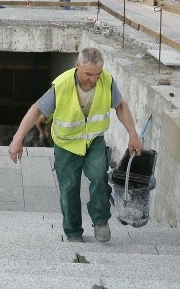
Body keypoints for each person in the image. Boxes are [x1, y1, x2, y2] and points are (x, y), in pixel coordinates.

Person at [8, 47, 143, 243]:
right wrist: (17, 139)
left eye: (98, 73)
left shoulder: (107, 80)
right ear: (77, 66)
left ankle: (101, 221)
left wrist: (133, 135)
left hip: (93, 140)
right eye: (89, 74)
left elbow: (120, 105)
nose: (94, 79)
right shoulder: (62, 84)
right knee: (69, 187)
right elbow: (36, 109)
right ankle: (73, 232)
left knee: (98, 177)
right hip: (66, 144)